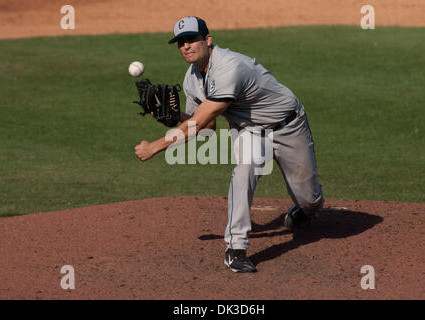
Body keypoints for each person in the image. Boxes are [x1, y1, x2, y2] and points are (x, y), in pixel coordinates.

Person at [135, 16, 324, 273]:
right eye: (181, 43)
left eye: (192, 39)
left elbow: (199, 123)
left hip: (288, 126)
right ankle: (236, 248)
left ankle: (305, 207)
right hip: (250, 131)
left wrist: (154, 147)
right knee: (246, 168)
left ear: (208, 40)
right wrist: (171, 116)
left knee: (310, 201)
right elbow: (207, 127)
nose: (186, 46)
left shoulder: (229, 67)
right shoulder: (191, 80)